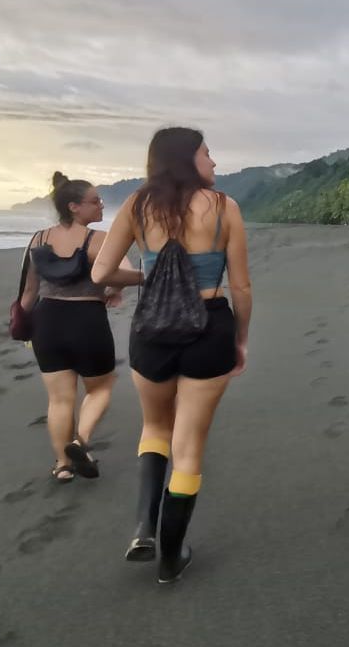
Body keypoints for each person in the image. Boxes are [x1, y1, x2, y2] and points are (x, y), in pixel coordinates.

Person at [91, 127, 251, 583]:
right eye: (207, 152)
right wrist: (240, 338)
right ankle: (170, 557)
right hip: (209, 329)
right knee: (190, 446)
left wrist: (153, 276)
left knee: (156, 426)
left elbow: (101, 271)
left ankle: (145, 526)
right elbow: (240, 286)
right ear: (186, 158)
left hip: (152, 331)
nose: (214, 162)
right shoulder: (225, 209)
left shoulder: (138, 205)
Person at [16, 173, 123, 482]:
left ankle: (63, 465)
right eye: (96, 201)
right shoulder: (98, 240)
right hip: (87, 320)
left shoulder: (38, 239)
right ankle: (80, 441)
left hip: (46, 322)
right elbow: (118, 275)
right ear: (74, 206)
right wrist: (125, 287)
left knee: (59, 399)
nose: (102, 205)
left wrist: (24, 328)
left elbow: (28, 293)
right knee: (100, 388)